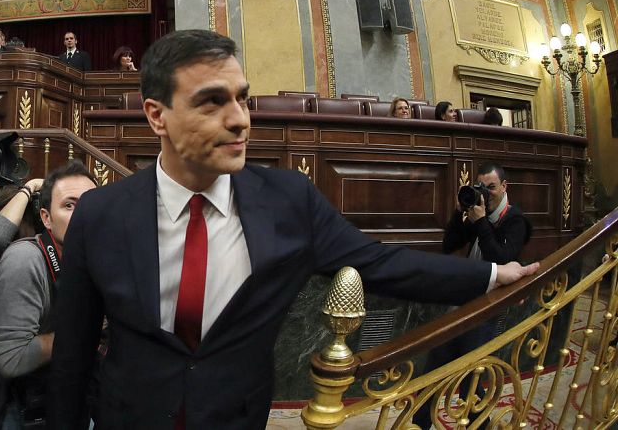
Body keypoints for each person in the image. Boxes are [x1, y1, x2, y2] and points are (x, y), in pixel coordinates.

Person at [48, 29, 539, 429]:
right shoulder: (100, 214)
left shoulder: (288, 200)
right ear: (157, 115)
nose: (240, 120)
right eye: (211, 102)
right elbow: (72, 353)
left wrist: (491, 276)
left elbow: (379, 262)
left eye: (242, 99)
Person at [414, 162, 532, 429]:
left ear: (504, 187)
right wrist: (459, 214)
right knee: (435, 367)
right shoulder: (480, 213)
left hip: (486, 309)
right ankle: (418, 424)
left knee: (473, 377)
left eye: (491, 188)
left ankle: (477, 425)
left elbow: (500, 259)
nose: (486, 193)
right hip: (461, 302)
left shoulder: (516, 220)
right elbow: (450, 245)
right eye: (482, 188)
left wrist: (480, 223)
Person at [0, 161, 97, 429]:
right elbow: (11, 358)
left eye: (91, 204)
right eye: (70, 205)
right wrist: (88, 333)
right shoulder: (25, 259)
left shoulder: (97, 257)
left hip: (78, 401)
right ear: (46, 218)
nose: (83, 214)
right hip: (30, 412)